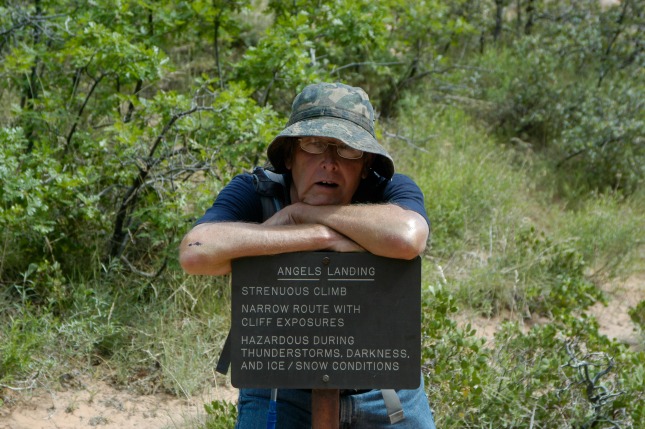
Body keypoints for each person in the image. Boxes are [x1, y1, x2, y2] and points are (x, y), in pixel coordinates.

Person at [179, 82, 436, 428]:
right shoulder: (256, 190)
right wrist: (318, 236)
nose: (329, 163)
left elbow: (408, 238)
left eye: (347, 150)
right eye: (313, 145)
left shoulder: (388, 191)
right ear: (289, 156)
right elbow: (196, 253)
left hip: (384, 388)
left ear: (366, 164)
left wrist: (303, 214)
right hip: (278, 387)